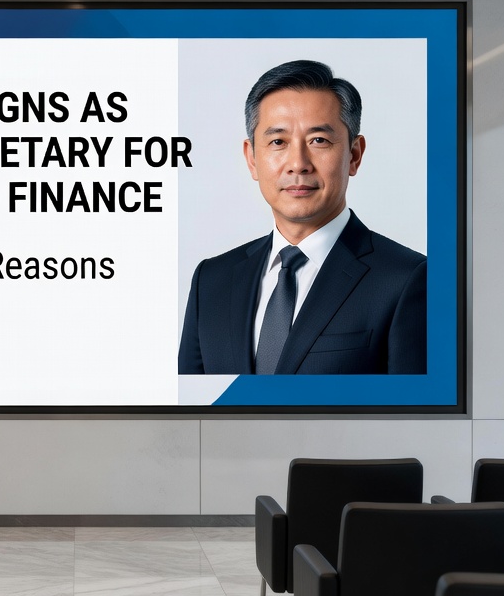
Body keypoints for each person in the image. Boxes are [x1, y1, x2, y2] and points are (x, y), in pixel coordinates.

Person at [178, 59, 426, 375]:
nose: (298, 163)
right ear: (252, 159)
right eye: (278, 142)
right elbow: (189, 415)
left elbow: (417, 421)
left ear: (354, 154)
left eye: (318, 140)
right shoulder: (212, 281)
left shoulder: (407, 279)